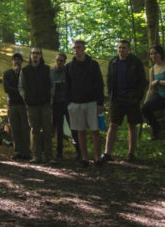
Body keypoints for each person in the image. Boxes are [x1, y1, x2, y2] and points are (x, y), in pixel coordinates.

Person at [102, 40, 146, 162]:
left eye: (124, 48)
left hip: (132, 99)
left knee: (132, 125)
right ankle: (107, 153)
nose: (122, 50)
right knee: (113, 124)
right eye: (120, 47)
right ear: (117, 49)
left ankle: (131, 154)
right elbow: (109, 80)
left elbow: (142, 81)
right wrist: (111, 94)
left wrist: (137, 96)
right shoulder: (113, 62)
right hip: (116, 99)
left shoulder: (135, 62)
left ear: (129, 49)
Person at [66, 39, 104, 168]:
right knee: (80, 132)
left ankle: (98, 158)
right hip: (76, 103)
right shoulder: (69, 66)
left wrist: (100, 103)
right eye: (74, 48)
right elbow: (67, 86)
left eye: (79, 47)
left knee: (95, 131)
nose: (77, 50)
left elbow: (99, 84)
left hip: (92, 102)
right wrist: (69, 103)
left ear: (84, 48)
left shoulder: (93, 64)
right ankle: (84, 158)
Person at [19, 47, 56, 164]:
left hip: (45, 104)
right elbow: (21, 87)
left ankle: (49, 157)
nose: (35, 55)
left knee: (47, 130)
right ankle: (36, 156)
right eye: (33, 53)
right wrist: (25, 97)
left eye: (37, 53)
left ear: (41, 56)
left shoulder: (47, 69)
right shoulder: (25, 71)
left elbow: (52, 85)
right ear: (30, 56)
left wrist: (50, 97)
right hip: (31, 105)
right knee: (34, 131)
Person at [51, 52, 81, 161]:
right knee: (58, 130)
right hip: (56, 104)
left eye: (61, 61)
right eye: (57, 60)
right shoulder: (51, 72)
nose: (59, 62)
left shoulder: (68, 72)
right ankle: (59, 153)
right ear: (55, 61)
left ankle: (79, 152)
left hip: (68, 104)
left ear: (65, 62)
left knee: (73, 128)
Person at [3, 53, 31, 160]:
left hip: (24, 104)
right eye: (14, 59)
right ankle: (17, 150)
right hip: (12, 105)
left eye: (18, 59)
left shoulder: (26, 73)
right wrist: (19, 91)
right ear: (12, 61)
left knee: (25, 128)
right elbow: (6, 88)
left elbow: (28, 88)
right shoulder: (7, 74)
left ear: (22, 61)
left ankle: (26, 151)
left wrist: (17, 90)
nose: (16, 61)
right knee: (14, 128)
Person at [142, 45, 165, 140]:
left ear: (160, 54)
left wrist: (159, 82)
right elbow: (151, 87)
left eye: (155, 53)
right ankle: (156, 129)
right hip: (160, 96)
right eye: (151, 53)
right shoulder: (152, 69)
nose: (154, 55)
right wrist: (146, 101)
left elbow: (155, 83)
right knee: (145, 108)